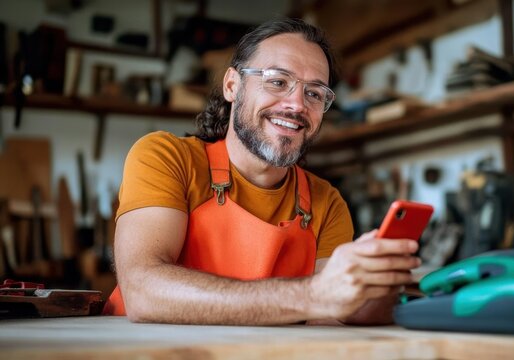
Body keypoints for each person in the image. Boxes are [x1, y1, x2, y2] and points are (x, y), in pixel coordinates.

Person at [103, 17, 420, 325]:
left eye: (314, 93)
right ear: (232, 85)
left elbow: (334, 314)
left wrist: (377, 284)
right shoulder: (166, 157)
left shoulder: (326, 201)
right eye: (278, 82)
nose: (296, 104)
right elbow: (143, 291)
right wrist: (310, 295)